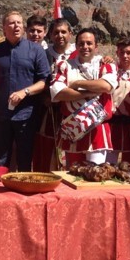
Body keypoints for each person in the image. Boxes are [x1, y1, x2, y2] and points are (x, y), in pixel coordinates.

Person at [0, 11, 51, 170]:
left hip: (26, 115)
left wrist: (25, 92)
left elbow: (44, 81)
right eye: (11, 23)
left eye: (19, 22)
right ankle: (0, 193)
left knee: (24, 159)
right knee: (1, 160)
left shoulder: (36, 50)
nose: (16, 26)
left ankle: (22, 193)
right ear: (3, 28)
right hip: (2, 115)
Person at [50, 28, 117, 167]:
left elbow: (105, 86)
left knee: (96, 173)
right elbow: (58, 93)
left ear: (96, 46)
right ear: (76, 45)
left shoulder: (106, 65)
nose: (85, 47)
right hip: (73, 127)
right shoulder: (64, 66)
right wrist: (89, 92)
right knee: (72, 173)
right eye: (81, 43)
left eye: (89, 43)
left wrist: (77, 84)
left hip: (97, 127)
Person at [33, 17, 76, 171]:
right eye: (56, 32)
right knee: (47, 147)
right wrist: (44, 97)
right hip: (48, 109)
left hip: (74, 109)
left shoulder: (78, 54)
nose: (60, 35)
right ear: (50, 35)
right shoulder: (43, 54)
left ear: (70, 34)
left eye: (64, 32)